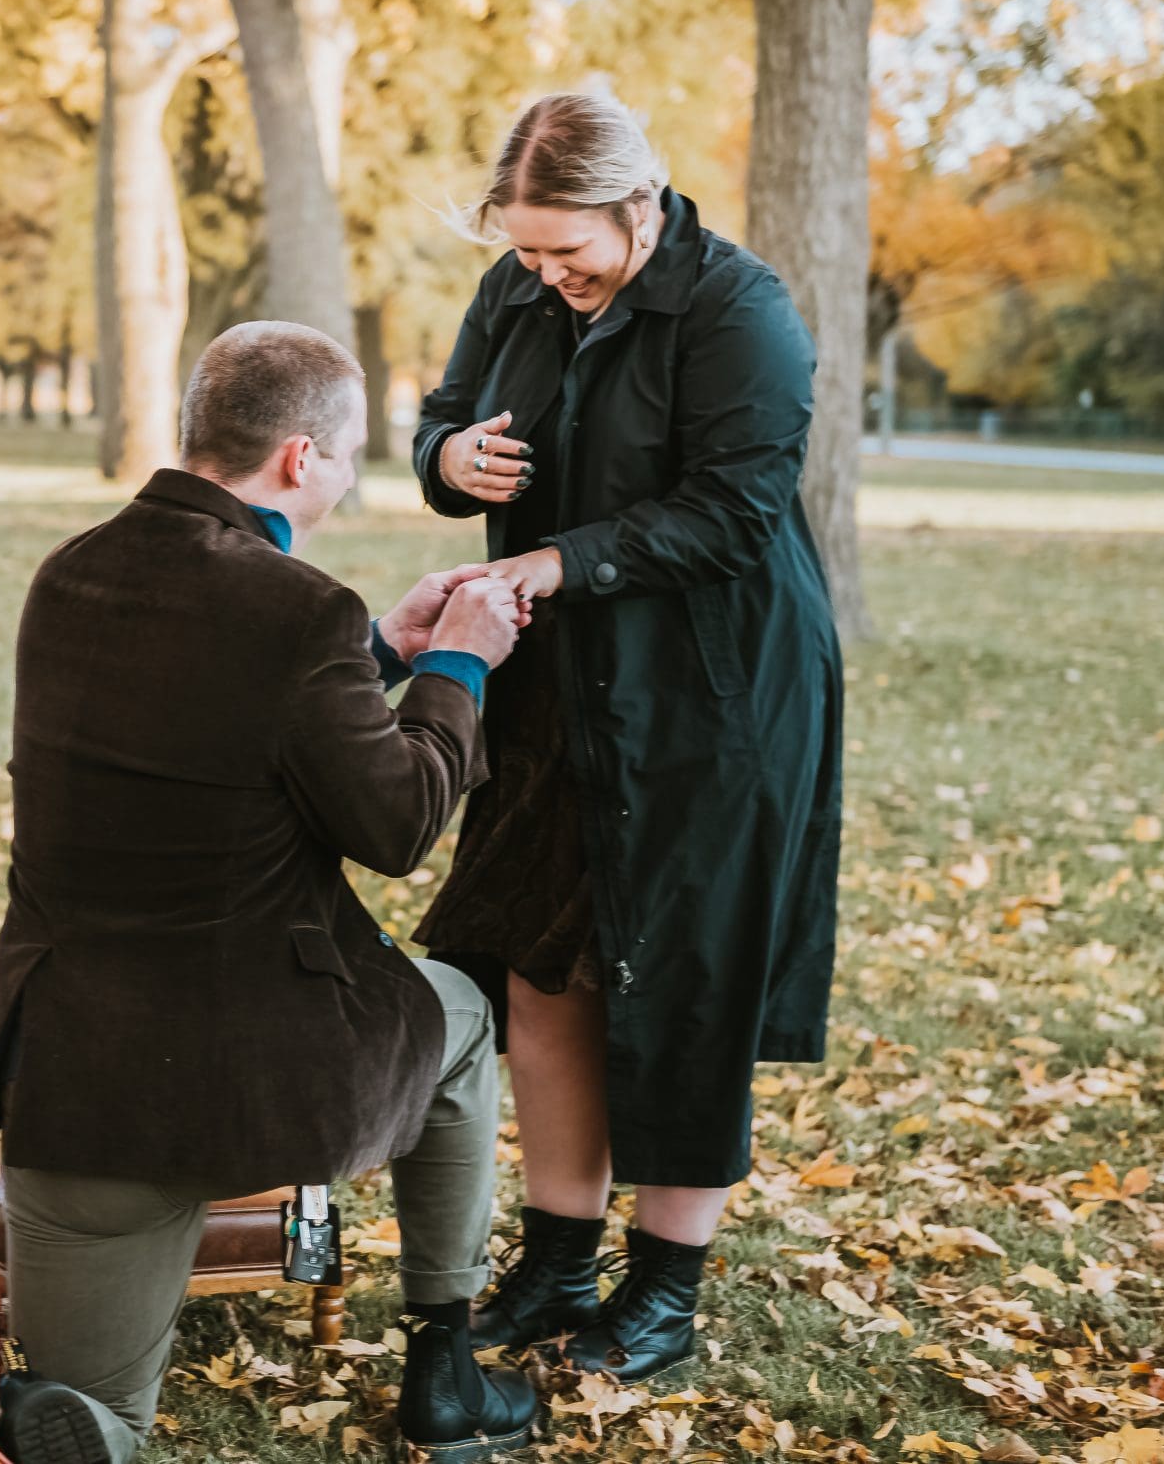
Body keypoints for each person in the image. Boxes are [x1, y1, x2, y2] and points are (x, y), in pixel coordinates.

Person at [0, 321, 543, 1464]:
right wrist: (456, 662)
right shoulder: (293, 608)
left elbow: (215, 722)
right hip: (262, 1072)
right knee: (464, 1020)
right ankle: (444, 1362)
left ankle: (79, 1426)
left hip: (77, 1080)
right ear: (295, 458)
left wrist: (372, 650)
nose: (348, 476)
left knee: (98, 1416)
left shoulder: (68, 575)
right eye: (348, 454)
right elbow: (396, 823)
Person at [409, 89, 843, 1383]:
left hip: (713, 698)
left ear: (639, 203)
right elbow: (442, 413)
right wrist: (451, 459)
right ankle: (558, 1255)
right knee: (550, 964)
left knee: (682, 979)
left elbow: (736, 509)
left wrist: (554, 556)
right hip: (553, 689)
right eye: (528, 251)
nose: (547, 275)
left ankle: (665, 1288)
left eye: (568, 250)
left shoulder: (739, 312)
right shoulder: (518, 288)